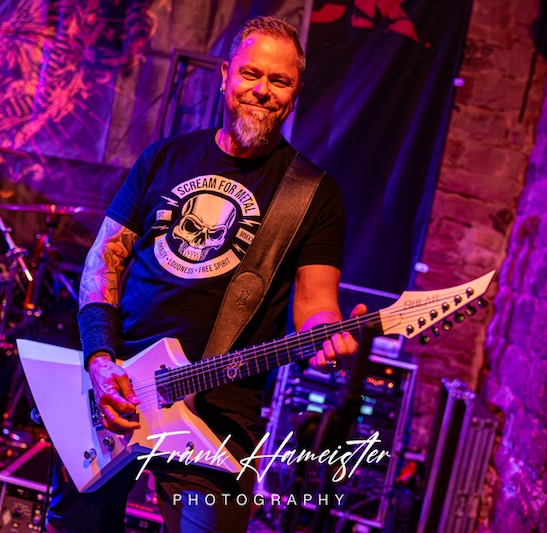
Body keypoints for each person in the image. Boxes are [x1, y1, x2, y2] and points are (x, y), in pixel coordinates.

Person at [48, 16, 365, 533]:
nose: (262, 90)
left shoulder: (315, 194)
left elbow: (316, 307)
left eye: (279, 81)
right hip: (117, 388)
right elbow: (104, 260)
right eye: (251, 74)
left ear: (295, 93)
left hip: (220, 412)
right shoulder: (164, 158)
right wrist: (101, 360)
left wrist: (329, 335)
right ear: (225, 75)